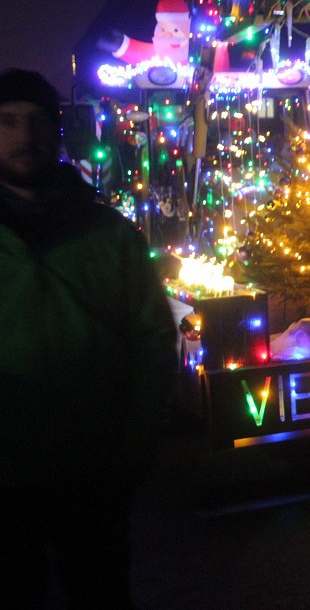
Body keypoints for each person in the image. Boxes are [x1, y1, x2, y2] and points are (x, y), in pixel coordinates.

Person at [0, 68, 178, 608]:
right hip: (5, 475)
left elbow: (151, 344)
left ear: (58, 130)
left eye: (36, 122)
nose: (24, 136)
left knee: (99, 591)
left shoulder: (109, 234)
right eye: (8, 122)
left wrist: (131, 451)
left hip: (93, 469)